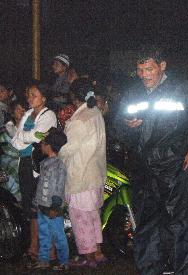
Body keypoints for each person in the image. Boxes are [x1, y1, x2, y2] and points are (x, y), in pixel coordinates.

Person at [115, 46, 188, 275]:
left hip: (173, 170)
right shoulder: (134, 92)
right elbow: (118, 127)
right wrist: (127, 125)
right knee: (146, 228)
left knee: (180, 228)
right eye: (140, 69)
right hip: (143, 172)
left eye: (149, 68)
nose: (144, 74)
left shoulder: (182, 90)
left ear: (162, 66)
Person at [58, 78, 108, 268]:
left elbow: (67, 149)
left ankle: (88, 256)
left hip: (80, 176)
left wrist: (55, 150)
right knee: (93, 215)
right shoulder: (95, 113)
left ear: (73, 96)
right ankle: (97, 251)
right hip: (95, 174)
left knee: (80, 218)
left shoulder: (79, 120)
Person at [11, 81, 58, 260]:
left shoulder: (49, 115)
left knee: (44, 208)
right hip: (25, 164)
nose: (30, 98)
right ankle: (34, 247)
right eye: (29, 95)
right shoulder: (28, 114)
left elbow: (36, 137)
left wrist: (26, 136)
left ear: (43, 98)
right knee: (30, 208)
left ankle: (50, 251)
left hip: (40, 167)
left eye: (34, 95)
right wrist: (28, 137)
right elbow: (16, 141)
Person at [31, 128, 69, 270]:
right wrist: (36, 203)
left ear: (48, 146)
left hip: (52, 208)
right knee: (44, 235)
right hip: (42, 206)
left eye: (42, 143)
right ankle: (43, 260)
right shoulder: (45, 163)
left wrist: (55, 206)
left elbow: (59, 187)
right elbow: (41, 185)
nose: (41, 145)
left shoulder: (59, 165)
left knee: (58, 236)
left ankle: (64, 262)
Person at [0, 100, 26, 201]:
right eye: (18, 109)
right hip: (9, 159)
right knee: (15, 165)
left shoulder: (31, 128)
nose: (21, 111)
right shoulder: (6, 129)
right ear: (12, 112)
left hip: (25, 159)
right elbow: (7, 149)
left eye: (23, 109)